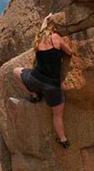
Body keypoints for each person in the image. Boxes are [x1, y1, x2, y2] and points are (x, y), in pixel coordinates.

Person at [13, 13, 73, 148]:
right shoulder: (56, 38)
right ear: (53, 30)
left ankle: (34, 95)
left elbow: (41, 31)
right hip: (52, 87)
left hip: (35, 80)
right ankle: (63, 140)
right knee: (57, 115)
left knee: (16, 71)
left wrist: (45, 19)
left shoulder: (38, 42)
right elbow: (69, 52)